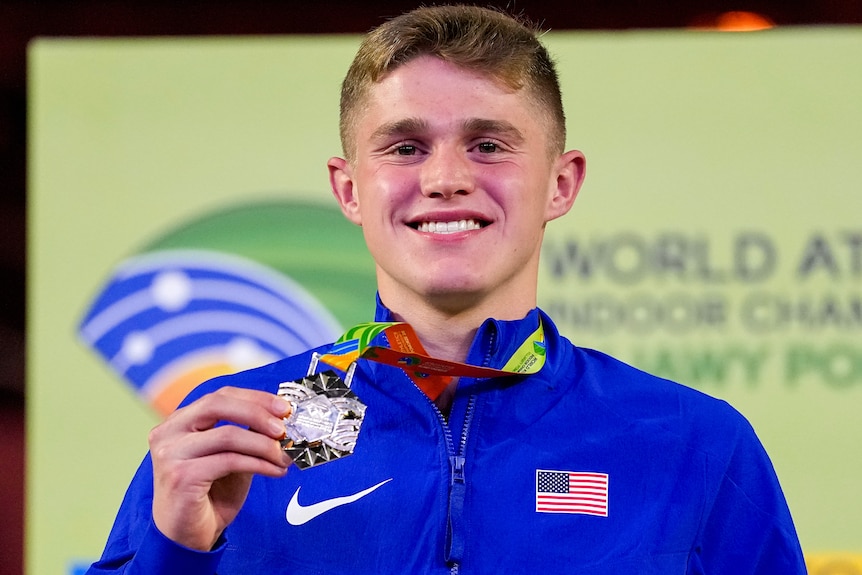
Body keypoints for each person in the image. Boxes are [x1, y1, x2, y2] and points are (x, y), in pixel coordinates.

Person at [88, 5, 806, 574]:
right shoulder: (236, 435)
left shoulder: (695, 444)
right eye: (405, 146)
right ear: (348, 188)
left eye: (488, 143)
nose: (444, 178)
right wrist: (172, 552)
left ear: (561, 182)